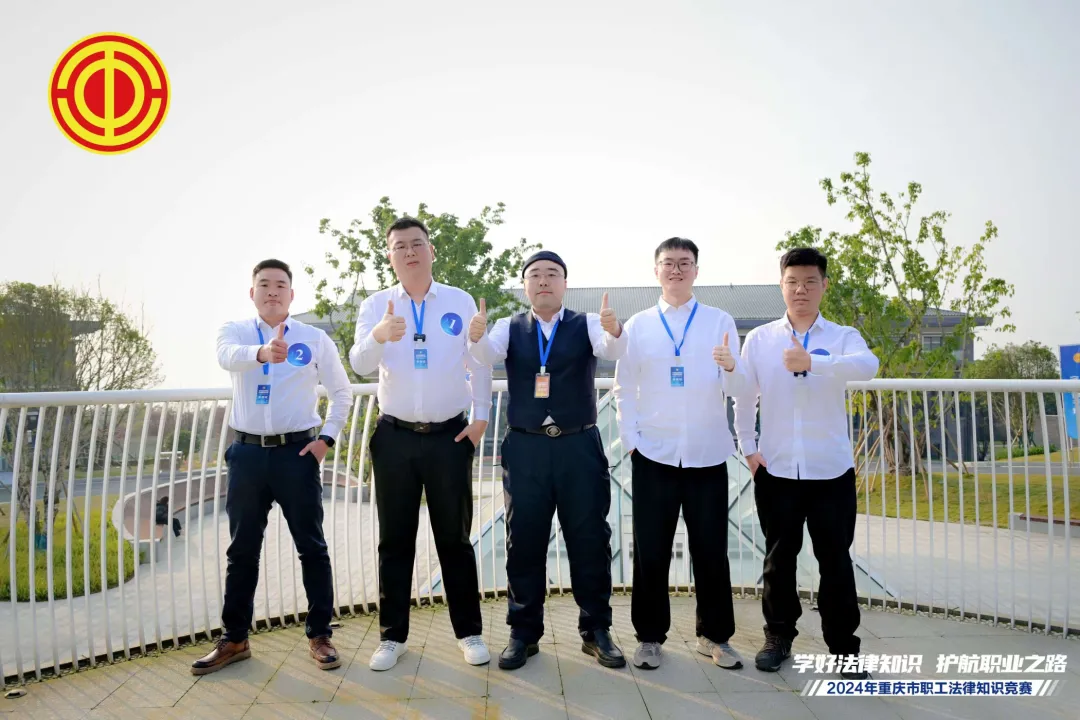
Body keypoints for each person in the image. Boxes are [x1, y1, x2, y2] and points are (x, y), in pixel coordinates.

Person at [468, 250, 628, 670]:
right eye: (535, 275)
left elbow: (612, 348)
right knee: (524, 541)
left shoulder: (587, 322)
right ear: (525, 286)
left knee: (590, 539)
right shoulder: (508, 326)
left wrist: (614, 329)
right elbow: (486, 356)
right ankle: (523, 633)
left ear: (565, 284)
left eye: (552, 274)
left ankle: (596, 630)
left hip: (579, 446)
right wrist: (476, 337)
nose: (543, 281)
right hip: (527, 449)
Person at [193, 258, 352, 676]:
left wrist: (326, 439)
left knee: (312, 547)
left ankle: (320, 635)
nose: (273, 291)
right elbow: (226, 357)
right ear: (252, 293)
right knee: (241, 551)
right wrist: (262, 353)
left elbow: (342, 392)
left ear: (292, 294)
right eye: (264, 284)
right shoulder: (235, 332)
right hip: (246, 454)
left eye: (281, 285)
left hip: (297, 453)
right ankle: (235, 639)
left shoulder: (314, 338)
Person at [350, 217, 491, 671]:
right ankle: (392, 637)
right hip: (395, 437)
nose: (409, 252)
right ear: (389, 255)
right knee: (395, 540)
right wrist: (378, 336)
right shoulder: (376, 305)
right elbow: (359, 364)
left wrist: (481, 418)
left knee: (455, 539)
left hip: (450, 436)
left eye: (417, 244)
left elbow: (478, 359)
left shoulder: (458, 300)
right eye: (400, 246)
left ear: (431, 250)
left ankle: (469, 632)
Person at [732, 247, 879, 679]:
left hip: (830, 469)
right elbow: (745, 396)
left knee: (835, 561)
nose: (801, 290)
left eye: (810, 282)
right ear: (781, 285)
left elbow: (868, 366)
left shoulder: (843, 336)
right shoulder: (760, 339)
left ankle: (844, 648)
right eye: (792, 282)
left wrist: (812, 361)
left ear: (824, 286)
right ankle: (778, 637)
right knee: (779, 559)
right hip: (776, 468)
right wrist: (748, 447)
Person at [612, 237, 749, 671]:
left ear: (696, 271)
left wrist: (731, 365)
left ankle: (716, 636)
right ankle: (650, 638)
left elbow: (739, 389)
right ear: (656, 271)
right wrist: (631, 441)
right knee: (651, 550)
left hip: (707, 453)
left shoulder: (718, 320)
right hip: (654, 454)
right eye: (668, 263)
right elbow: (623, 387)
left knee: (711, 550)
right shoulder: (639, 325)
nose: (676, 269)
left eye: (684, 263)